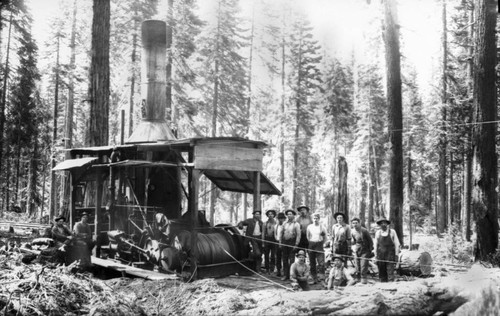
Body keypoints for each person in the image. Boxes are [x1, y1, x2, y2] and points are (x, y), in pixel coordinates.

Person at [373, 217, 400, 282]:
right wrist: (375, 256)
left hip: (390, 256)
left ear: (387, 224)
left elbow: (397, 244)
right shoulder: (378, 233)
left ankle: (391, 287)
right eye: (381, 223)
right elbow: (375, 245)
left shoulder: (392, 232)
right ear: (379, 225)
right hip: (380, 256)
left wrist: (396, 255)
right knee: (382, 273)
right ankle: (383, 288)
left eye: (385, 223)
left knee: (390, 272)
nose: (383, 225)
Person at [279, 209, 301, 281]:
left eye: (290, 214)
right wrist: (280, 243)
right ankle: (286, 275)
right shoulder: (284, 223)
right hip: (285, 243)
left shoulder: (296, 224)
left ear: (293, 215)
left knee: (292, 260)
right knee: (285, 260)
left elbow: (298, 235)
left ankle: (292, 276)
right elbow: (281, 233)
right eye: (288, 214)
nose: (289, 215)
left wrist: (296, 245)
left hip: (292, 243)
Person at [350, 217, 374, 284]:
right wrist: (352, 247)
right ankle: (358, 278)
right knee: (357, 265)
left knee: (363, 265)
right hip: (357, 250)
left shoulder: (364, 230)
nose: (355, 224)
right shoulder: (352, 231)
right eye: (353, 223)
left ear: (359, 223)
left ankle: (363, 279)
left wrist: (370, 250)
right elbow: (354, 241)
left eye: (356, 223)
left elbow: (370, 241)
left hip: (365, 250)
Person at [306, 213, 327, 284]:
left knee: (321, 263)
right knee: (312, 263)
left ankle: (322, 278)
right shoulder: (309, 227)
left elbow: (325, 237)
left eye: (317, 218)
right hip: (311, 244)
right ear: (312, 219)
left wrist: (321, 243)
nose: (315, 220)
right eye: (314, 218)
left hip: (319, 245)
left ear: (319, 219)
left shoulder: (322, 227)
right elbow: (308, 236)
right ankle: (314, 278)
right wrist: (311, 242)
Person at [262, 209, 278, 274]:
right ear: (267, 215)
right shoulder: (265, 223)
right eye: (269, 214)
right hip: (267, 240)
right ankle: (267, 268)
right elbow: (263, 232)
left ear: (274, 215)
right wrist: (263, 242)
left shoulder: (276, 223)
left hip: (274, 240)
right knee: (266, 255)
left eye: (271, 214)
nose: (270, 215)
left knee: (273, 255)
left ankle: (272, 268)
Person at [274, 212, 286, 277]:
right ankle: (278, 270)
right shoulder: (276, 226)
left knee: (284, 257)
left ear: (284, 219)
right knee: (278, 257)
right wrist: (277, 241)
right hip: (277, 242)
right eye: (279, 218)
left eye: (282, 218)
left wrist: (282, 242)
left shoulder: (286, 225)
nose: (280, 220)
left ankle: (285, 271)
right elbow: (275, 235)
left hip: (284, 243)